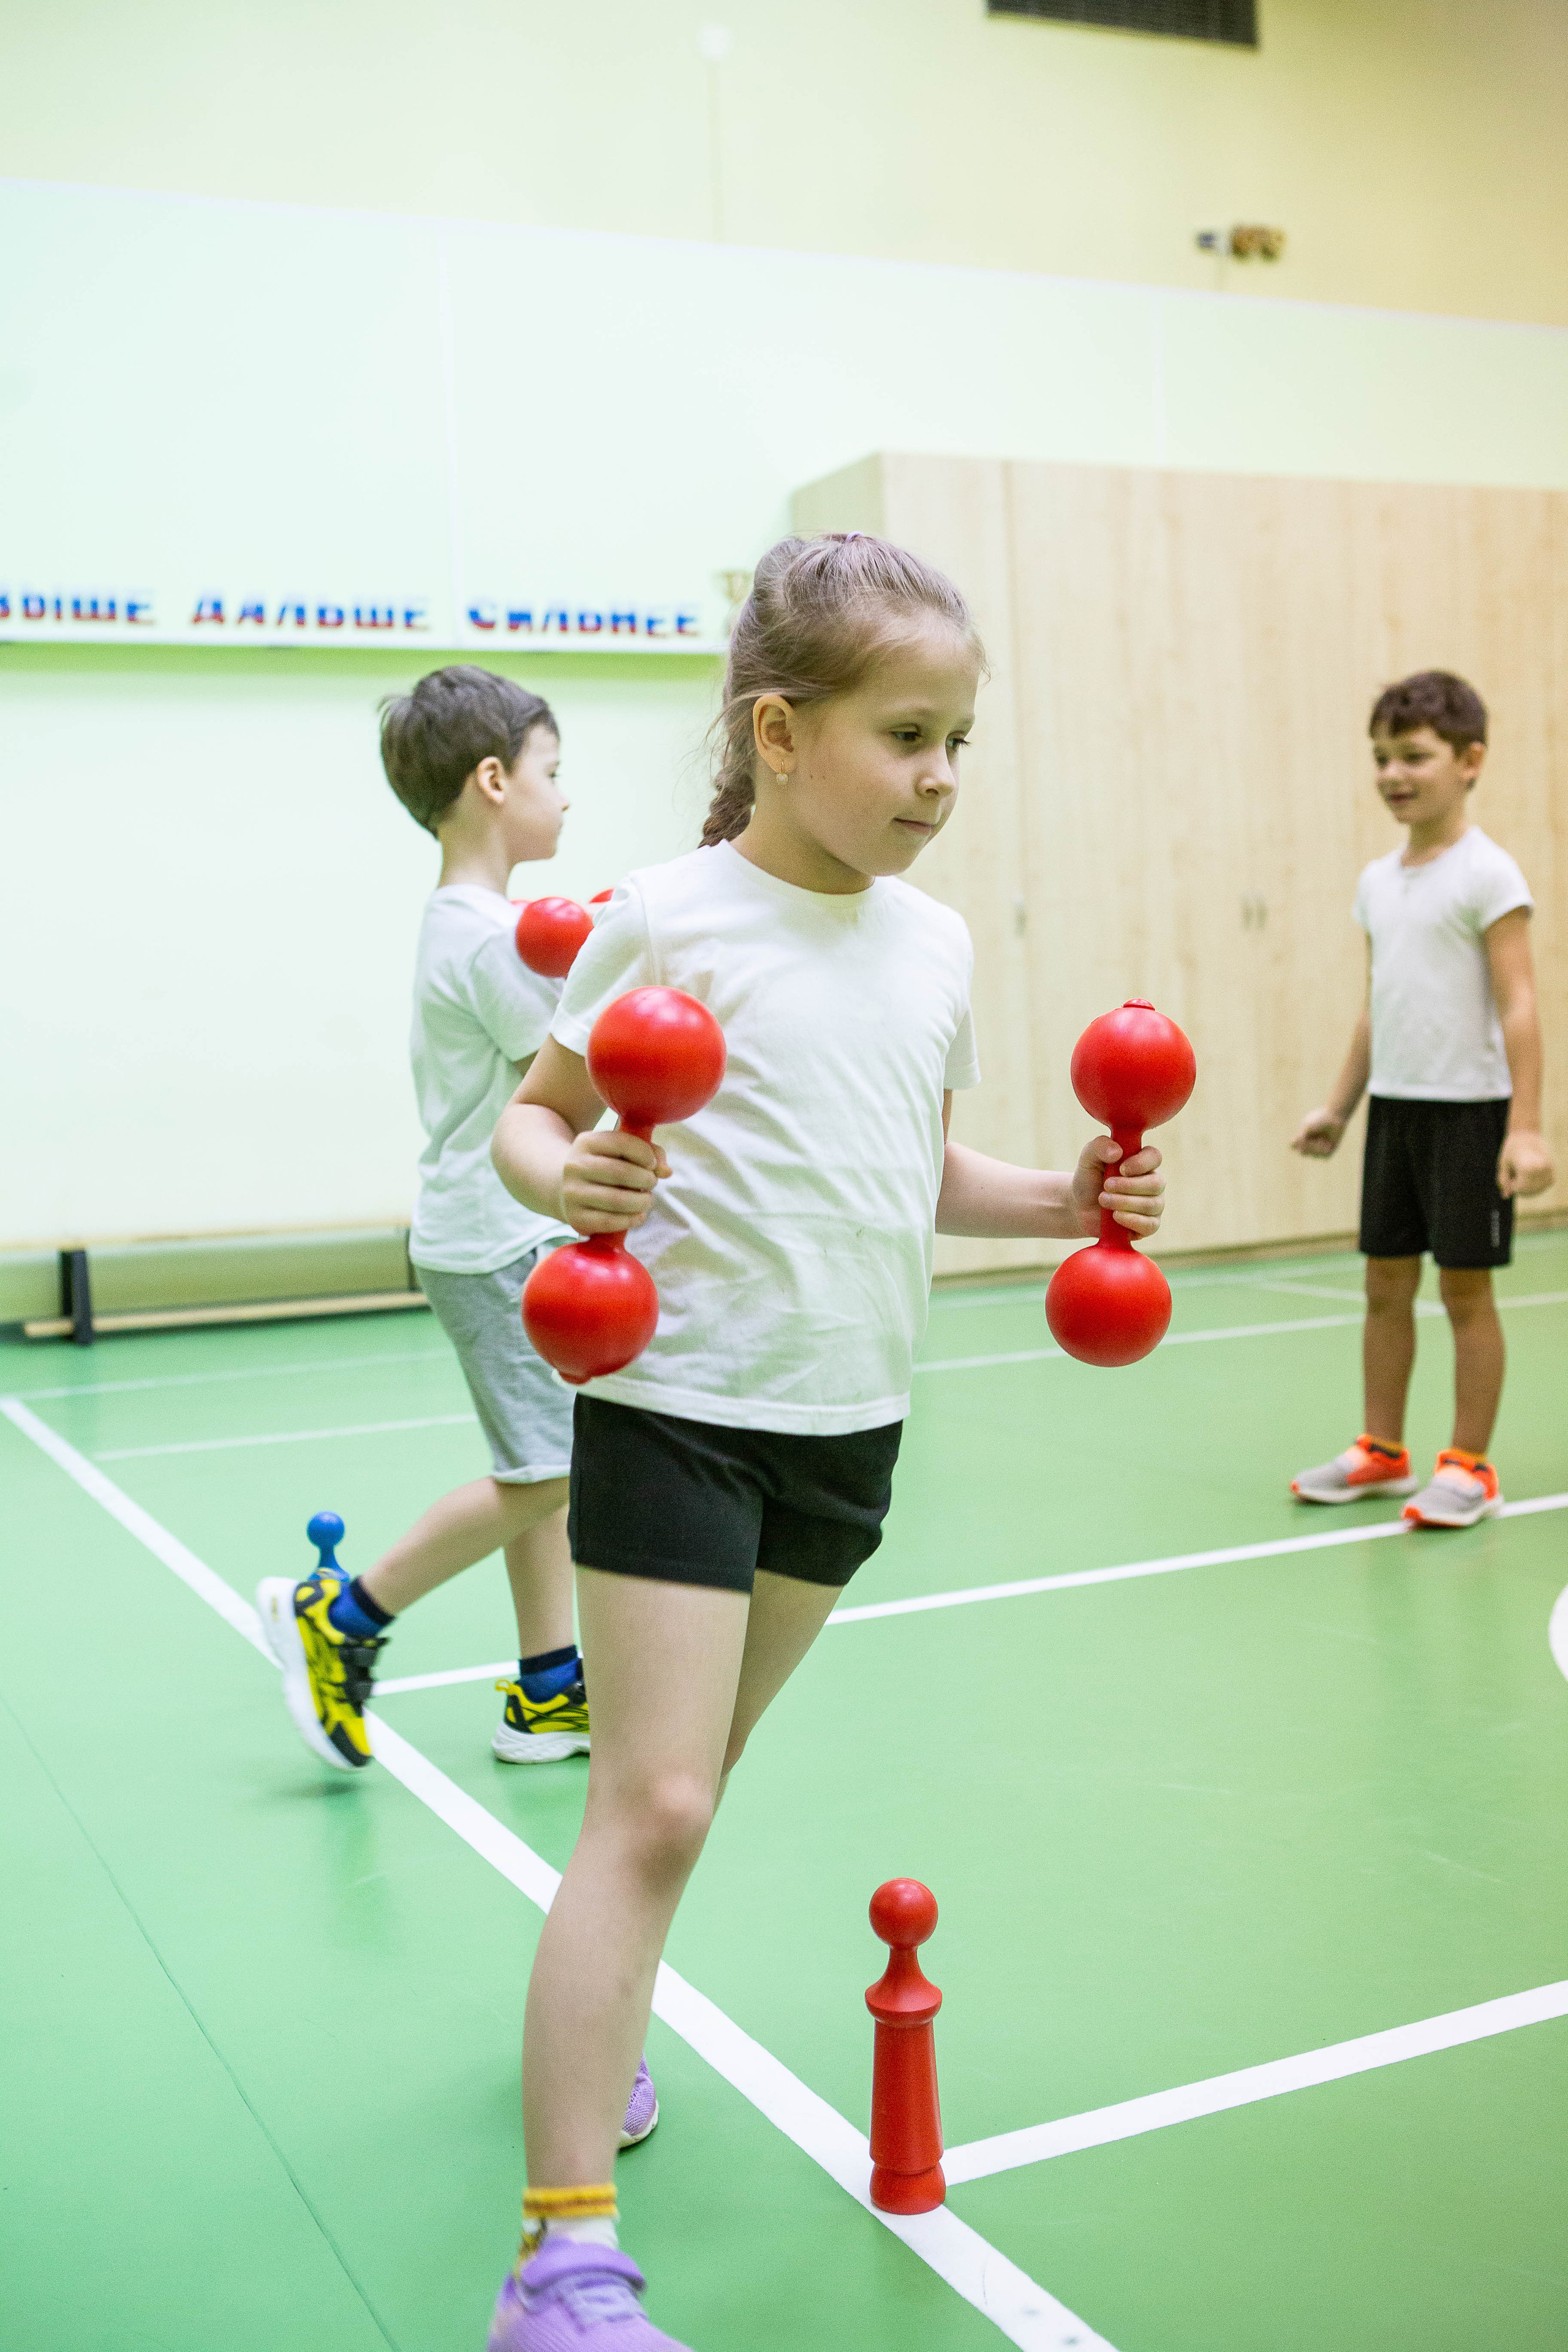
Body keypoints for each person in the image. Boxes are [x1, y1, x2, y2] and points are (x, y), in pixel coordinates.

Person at [481, 533, 1169, 2352]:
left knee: (681, 1794)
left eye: (960, 740)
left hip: (848, 1431)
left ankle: (591, 2037)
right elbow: (533, 1128)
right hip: (678, 1411)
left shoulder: (932, 943)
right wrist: (582, 1183)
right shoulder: (671, 915)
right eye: (906, 736)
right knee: (661, 1797)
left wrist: (1071, 1194)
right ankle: (561, 2266)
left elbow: (916, 1169)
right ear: (779, 733)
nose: (941, 777)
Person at [257, 668, 592, 1774]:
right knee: (547, 1471)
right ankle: (347, 1617)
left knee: (537, 1463)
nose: (566, 795)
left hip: (495, 1233)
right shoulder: (491, 940)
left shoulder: (478, 924)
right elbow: (574, 1085)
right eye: (553, 772)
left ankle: (550, 1687)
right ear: (494, 781)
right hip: (497, 1239)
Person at [1291, 669, 1553, 1527]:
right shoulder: (1378, 882)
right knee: (1383, 1285)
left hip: (1471, 1113)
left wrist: (1527, 1128)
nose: (1394, 774)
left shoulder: (1489, 874)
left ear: (1470, 760)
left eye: (1415, 756)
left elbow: (1520, 1005)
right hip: (1398, 1110)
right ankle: (1383, 1450)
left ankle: (1469, 1465)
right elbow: (1380, 1007)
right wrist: (1339, 1107)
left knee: (1466, 1293)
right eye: (1381, 758)